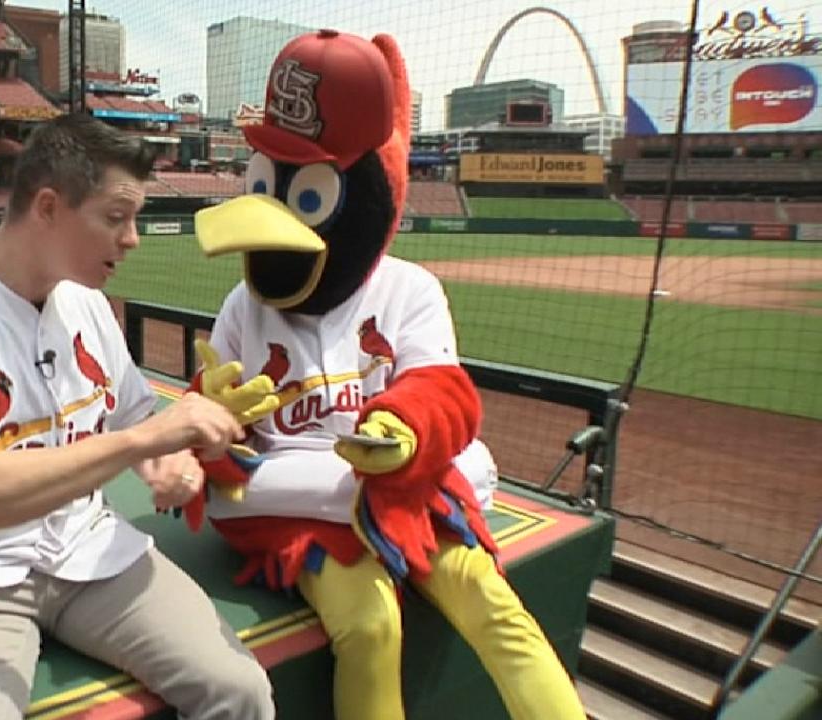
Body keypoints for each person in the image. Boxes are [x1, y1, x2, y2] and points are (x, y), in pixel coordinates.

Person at [181, 30, 586, 720]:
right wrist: (214, 415)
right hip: (302, 514)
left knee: (494, 606)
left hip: (401, 494)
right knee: (371, 627)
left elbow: (441, 391)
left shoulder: (408, 289)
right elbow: (216, 439)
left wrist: (402, 426)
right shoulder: (243, 306)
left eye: (306, 190)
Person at [0, 113, 278, 720]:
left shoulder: (87, 303)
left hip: (94, 554)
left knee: (239, 690)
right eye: (116, 217)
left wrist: (169, 462)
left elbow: (137, 421)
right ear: (48, 207)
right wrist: (144, 442)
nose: (132, 238)